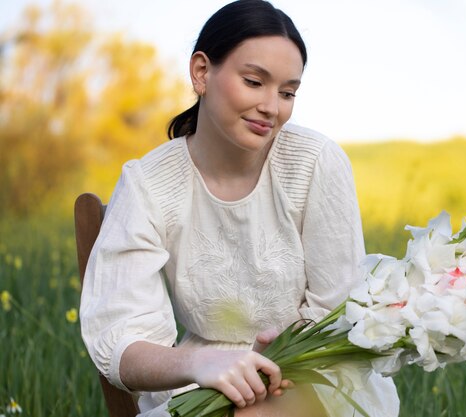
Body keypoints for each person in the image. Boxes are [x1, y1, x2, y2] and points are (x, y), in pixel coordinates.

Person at [79, 1, 399, 416]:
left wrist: (277, 357)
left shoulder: (315, 162)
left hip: (314, 374)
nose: (271, 106)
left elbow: (336, 313)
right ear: (201, 73)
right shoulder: (148, 184)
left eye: (287, 92)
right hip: (200, 382)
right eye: (254, 82)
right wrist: (200, 363)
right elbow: (121, 338)